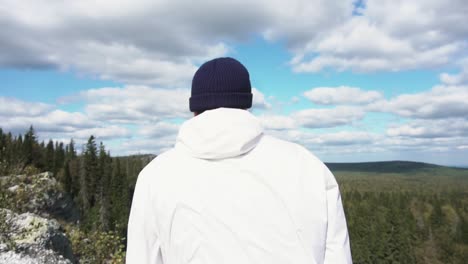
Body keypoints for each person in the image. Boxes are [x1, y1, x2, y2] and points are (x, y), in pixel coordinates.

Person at [126, 57, 352, 264]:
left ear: (194, 108)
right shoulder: (307, 165)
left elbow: (142, 257)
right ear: (246, 103)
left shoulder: (156, 176)